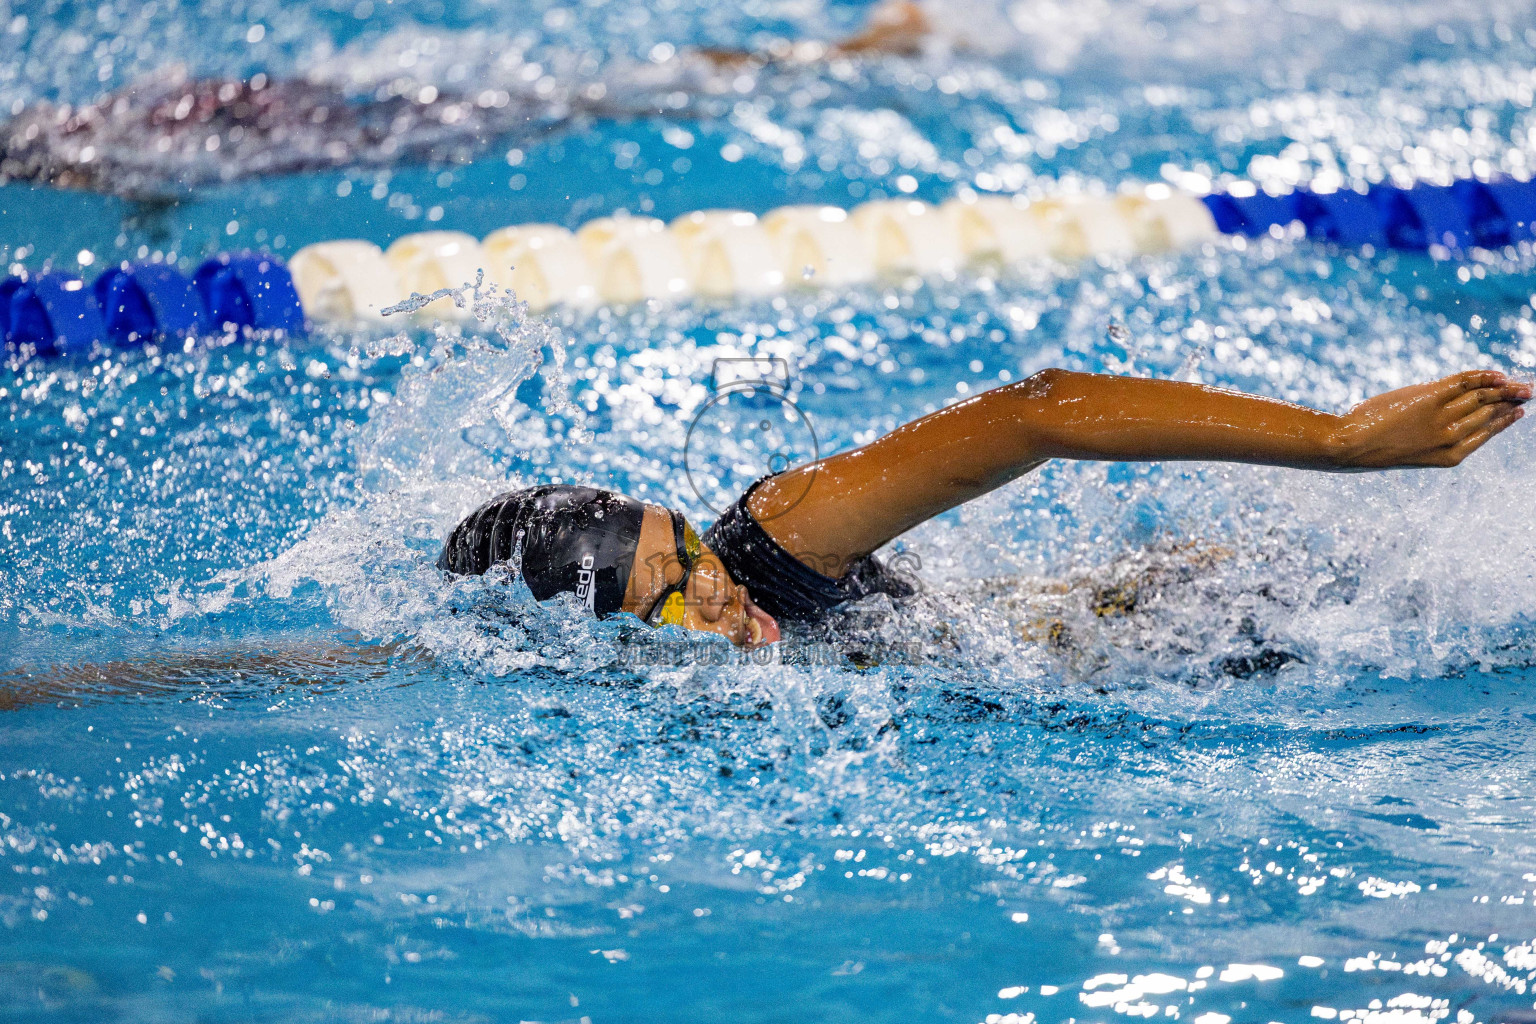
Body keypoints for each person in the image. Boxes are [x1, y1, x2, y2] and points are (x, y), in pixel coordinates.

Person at [438, 366, 1532, 649]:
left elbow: (1037, 412)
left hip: (1181, 628)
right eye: (671, 606)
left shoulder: (774, 543)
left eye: (692, 561)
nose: (718, 599)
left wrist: (1342, 441)